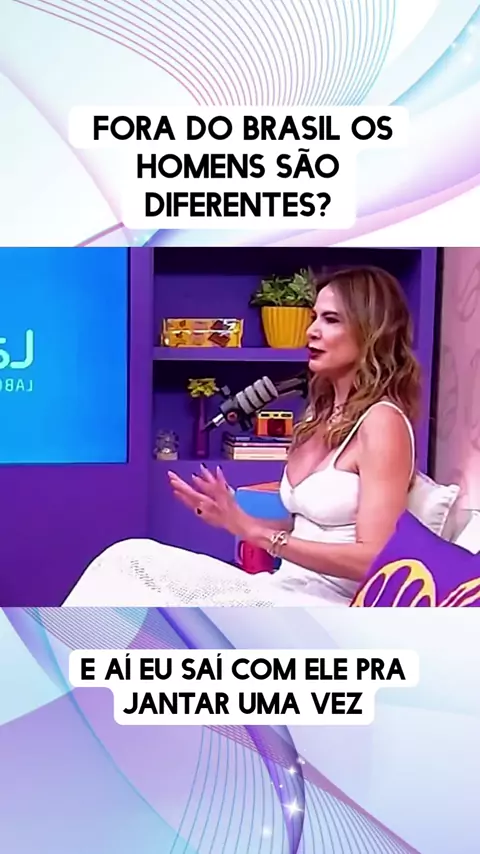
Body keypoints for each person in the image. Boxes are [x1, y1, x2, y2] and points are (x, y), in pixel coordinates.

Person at [66, 266, 420, 608]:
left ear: (371, 330)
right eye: (314, 317)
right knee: (127, 558)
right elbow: (309, 526)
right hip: (282, 587)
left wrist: (257, 533)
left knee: (143, 579)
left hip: (323, 607)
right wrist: (230, 514)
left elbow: (379, 560)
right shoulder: (318, 416)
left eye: (331, 319)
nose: (311, 331)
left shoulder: (382, 422)